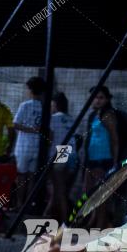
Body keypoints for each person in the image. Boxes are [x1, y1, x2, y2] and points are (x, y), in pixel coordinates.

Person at [83, 86, 119, 228]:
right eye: (95, 97)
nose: (97, 101)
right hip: (91, 159)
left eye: (101, 97)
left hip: (103, 159)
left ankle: (99, 225)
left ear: (107, 99)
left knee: (99, 195)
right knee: (89, 193)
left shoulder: (108, 115)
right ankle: (94, 221)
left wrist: (114, 163)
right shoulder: (94, 115)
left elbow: (115, 139)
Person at [12, 76, 45, 211]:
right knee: (32, 177)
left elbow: (15, 124)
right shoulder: (45, 106)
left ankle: (20, 204)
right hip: (38, 146)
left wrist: (30, 129)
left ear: (30, 89)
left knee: (21, 176)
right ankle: (29, 204)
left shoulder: (25, 105)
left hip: (24, 146)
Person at [45, 92, 78, 221]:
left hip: (61, 152)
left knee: (60, 192)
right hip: (72, 153)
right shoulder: (71, 119)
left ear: (55, 104)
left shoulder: (53, 118)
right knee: (59, 190)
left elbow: (50, 139)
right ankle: (45, 215)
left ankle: (66, 223)